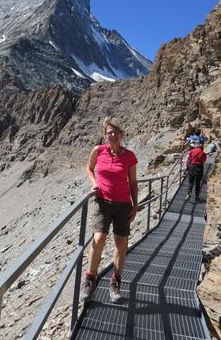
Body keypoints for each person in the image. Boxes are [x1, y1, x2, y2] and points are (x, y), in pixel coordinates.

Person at [81, 118, 138, 303]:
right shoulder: (98, 151)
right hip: (102, 201)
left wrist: (135, 205)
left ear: (121, 135)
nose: (112, 135)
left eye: (115, 132)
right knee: (98, 239)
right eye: (108, 133)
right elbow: (89, 169)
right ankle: (90, 279)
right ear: (105, 136)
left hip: (123, 204)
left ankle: (115, 282)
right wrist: (95, 184)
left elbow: (133, 182)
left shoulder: (129, 156)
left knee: (121, 244)